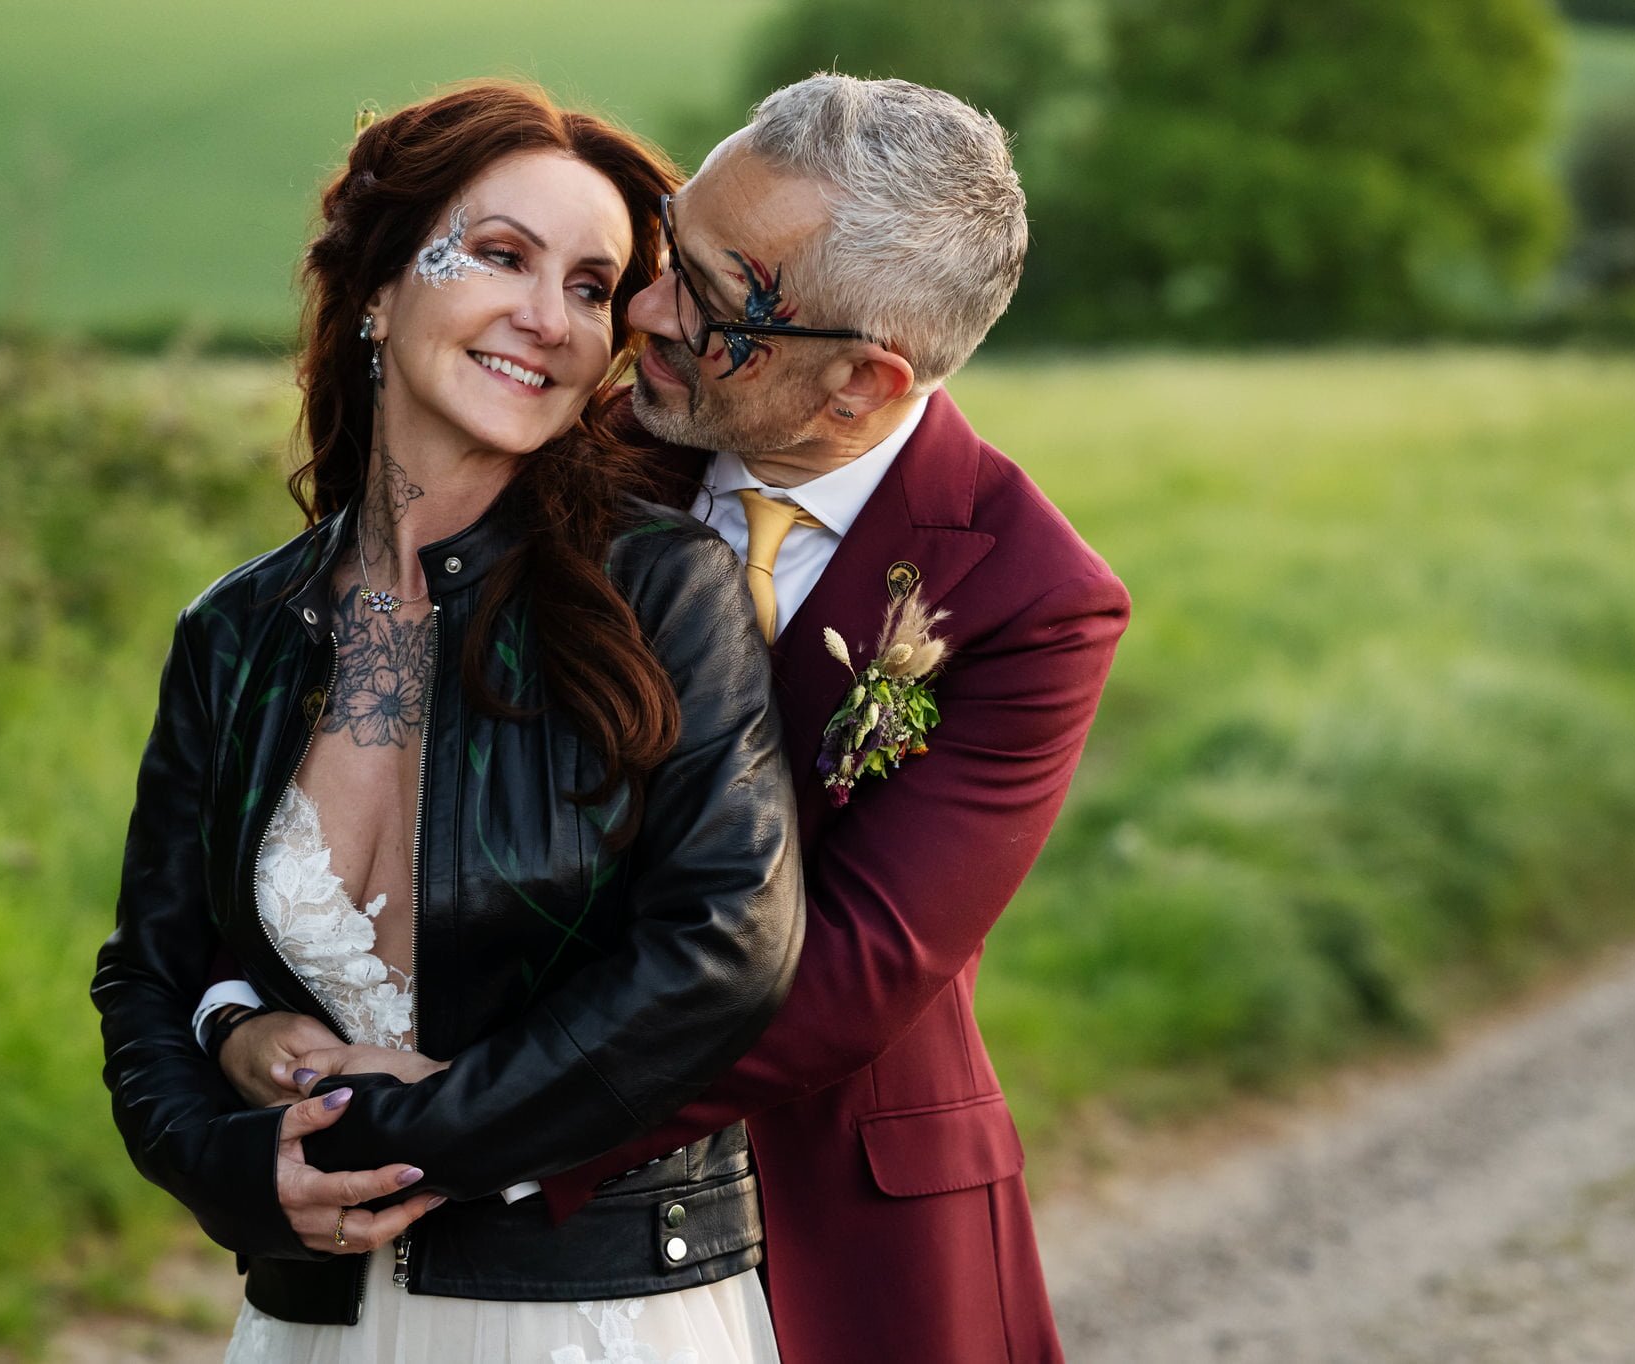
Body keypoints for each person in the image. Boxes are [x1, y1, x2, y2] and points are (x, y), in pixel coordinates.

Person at [222, 74, 1131, 1363]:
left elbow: (851, 965)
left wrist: (483, 1118)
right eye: (665, 238)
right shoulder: (570, 447)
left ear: (860, 385)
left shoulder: (1029, 594)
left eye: (701, 294)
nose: (641, 306)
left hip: (842, 1218)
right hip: (519, 1249)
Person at [90, 80, 805, 1364]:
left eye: (592, 287)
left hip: (596, 1312)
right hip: (311, 1316)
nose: (547, 317)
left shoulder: (664, 591)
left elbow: (724, 945)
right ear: (377, 285)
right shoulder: (234, 632)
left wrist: (417, 1125)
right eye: (499, 255)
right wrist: (234, 1161)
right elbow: (150, 968)